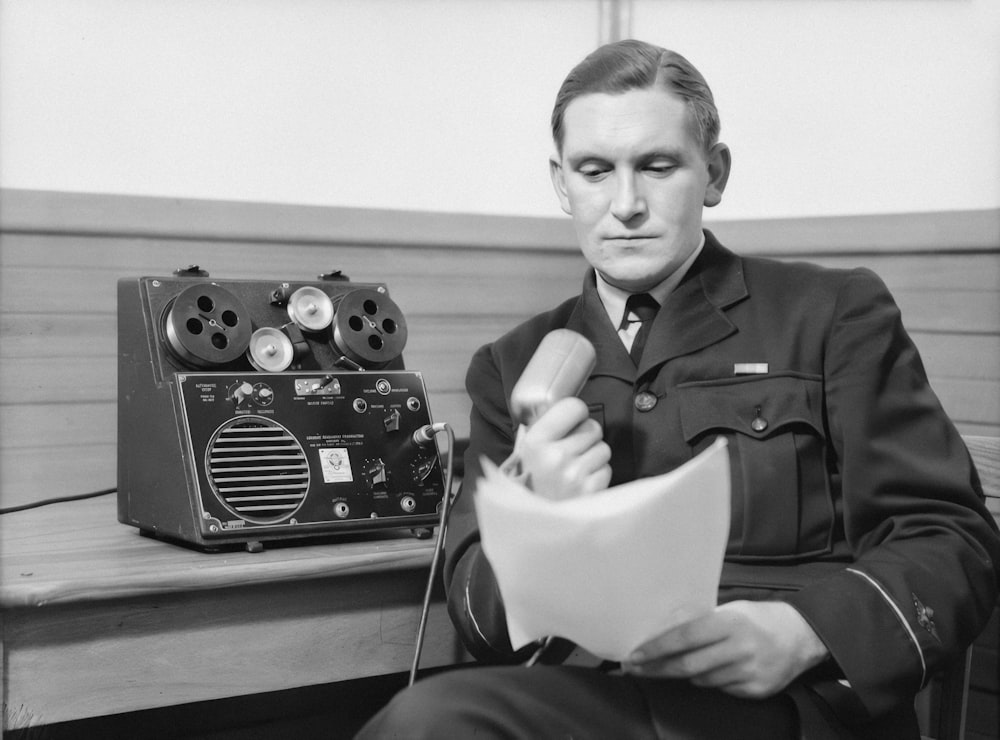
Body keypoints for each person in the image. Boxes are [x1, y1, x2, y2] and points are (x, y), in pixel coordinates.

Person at [357, 39, 1000, 738]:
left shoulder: (831, 314)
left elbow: (952, 539)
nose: (625, 203)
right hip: (587, 700)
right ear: (561, 182)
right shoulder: (511, 366)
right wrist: (534, 518)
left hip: (795, 706)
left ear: (714, 173)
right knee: (430, 722)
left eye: (656, 167)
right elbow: (479, 618)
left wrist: (804, 632)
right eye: (595, 171)